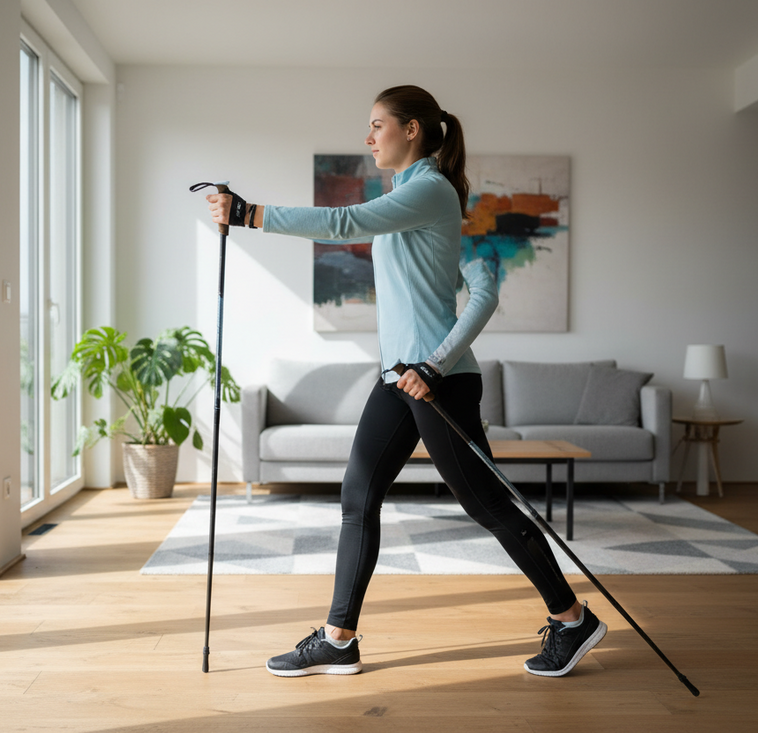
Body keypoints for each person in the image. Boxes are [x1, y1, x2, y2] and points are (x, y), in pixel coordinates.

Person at [203, 85, 605, 679]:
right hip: (397, 377)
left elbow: (347, 223)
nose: (368, 137)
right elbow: (454, 278)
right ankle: (338, 638)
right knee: (358, 496)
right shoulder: (409, 199)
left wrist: (250, 214)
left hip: (437, 381)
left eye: (377, 124)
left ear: (411, 129)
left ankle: (573, 620)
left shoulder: (430, 189)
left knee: (486, 503)